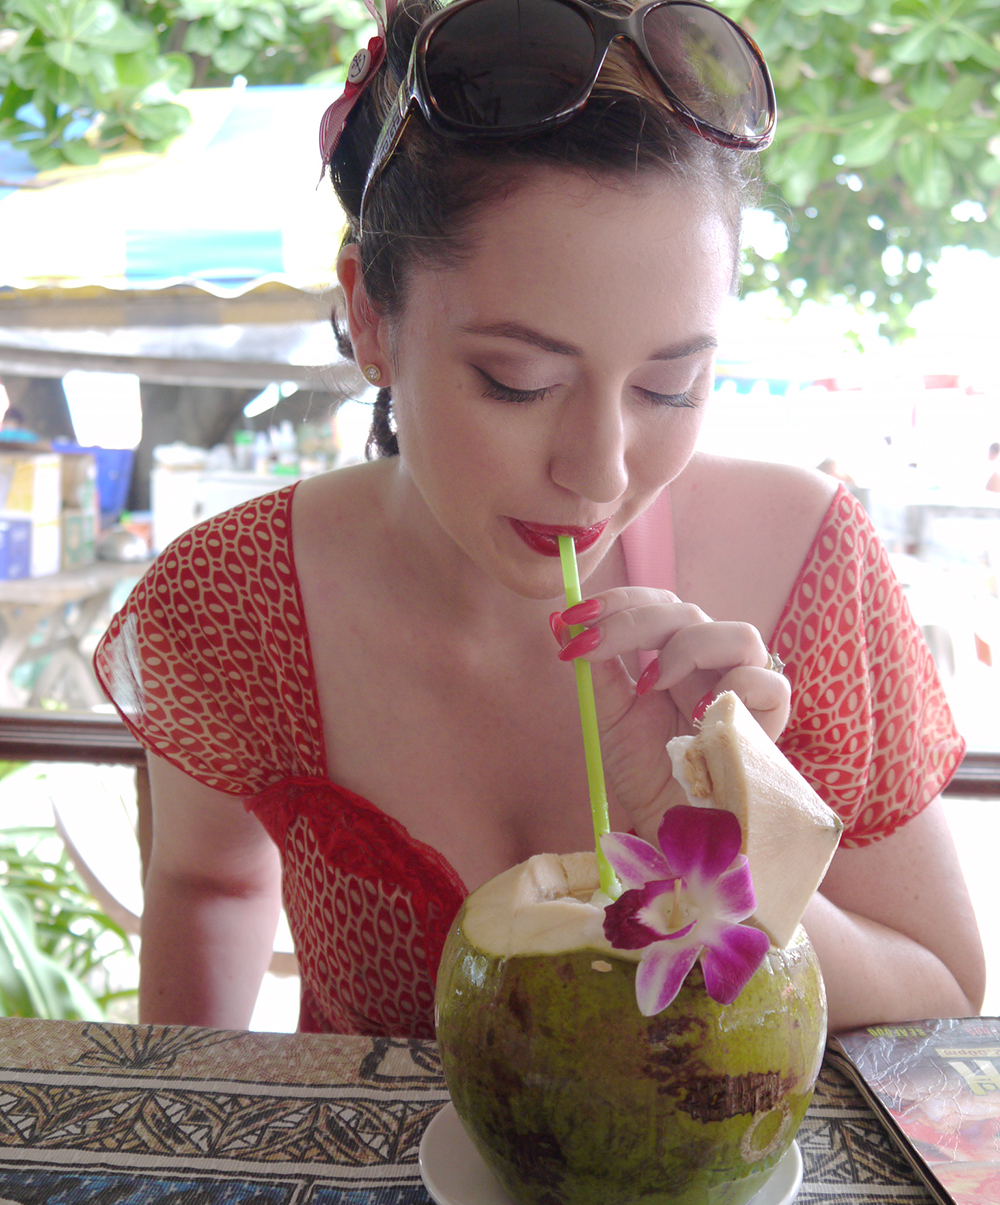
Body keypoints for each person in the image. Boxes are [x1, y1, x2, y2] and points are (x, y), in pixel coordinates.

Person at [95, 0, 984, 1037]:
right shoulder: (236, 598)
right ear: (372, 318)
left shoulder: (803, 565)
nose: (598, 472)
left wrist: (742, 869)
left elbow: (946, 992)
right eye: (516, 381)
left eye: (669, 386)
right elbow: (210, 884)